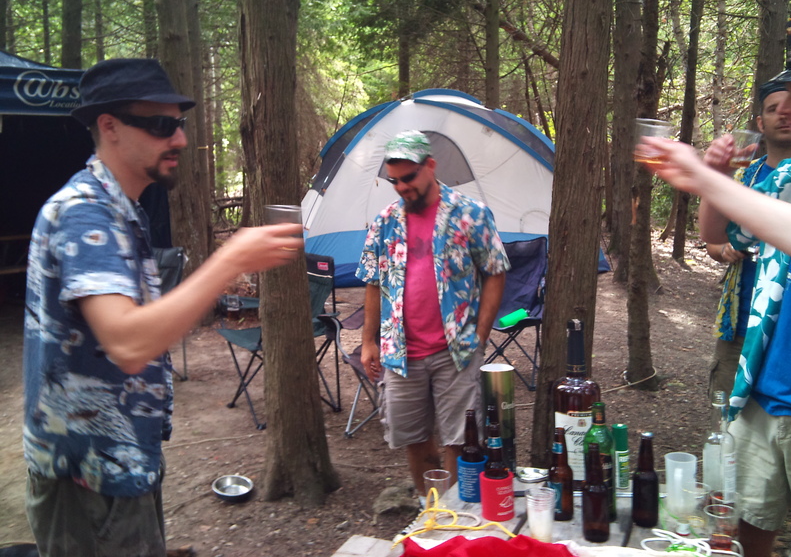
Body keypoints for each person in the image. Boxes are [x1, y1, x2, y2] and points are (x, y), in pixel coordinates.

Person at [22, 58, 303, 557]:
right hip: (89, 475)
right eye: (160, 125)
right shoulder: (85, 213)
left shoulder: (118, 210)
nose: (179, 139)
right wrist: (229, 260)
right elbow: (128, 342)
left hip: (120, 462)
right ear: (109, 127)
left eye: (180, 124)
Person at [641, 19, 791, 557]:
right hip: (762, 373)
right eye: (780, 99)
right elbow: (719, 237)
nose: (788, 108)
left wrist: (705, 177)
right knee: (748, 513)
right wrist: (713, 178)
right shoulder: (773, 177)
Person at [356, 130, 509, 503]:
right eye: (394, 180)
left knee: (459, 437)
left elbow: (495, 271)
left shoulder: (470, 214)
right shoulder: (385, 221)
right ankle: (430, 510)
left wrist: (480, 333)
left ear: (431, 166)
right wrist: (368, 341)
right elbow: (373, 282)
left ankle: (454, 514)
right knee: (412, 435)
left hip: (455, 348)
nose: (402, 187)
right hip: (400, 353)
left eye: (408, 178)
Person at [705, 80, 791, 399]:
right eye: (774, 109)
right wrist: (725, 250)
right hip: (741, 324)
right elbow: (713, 239)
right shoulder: (744, 174)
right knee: (725, 414)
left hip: (790, 332)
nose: (785, 114)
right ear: (760, 123)